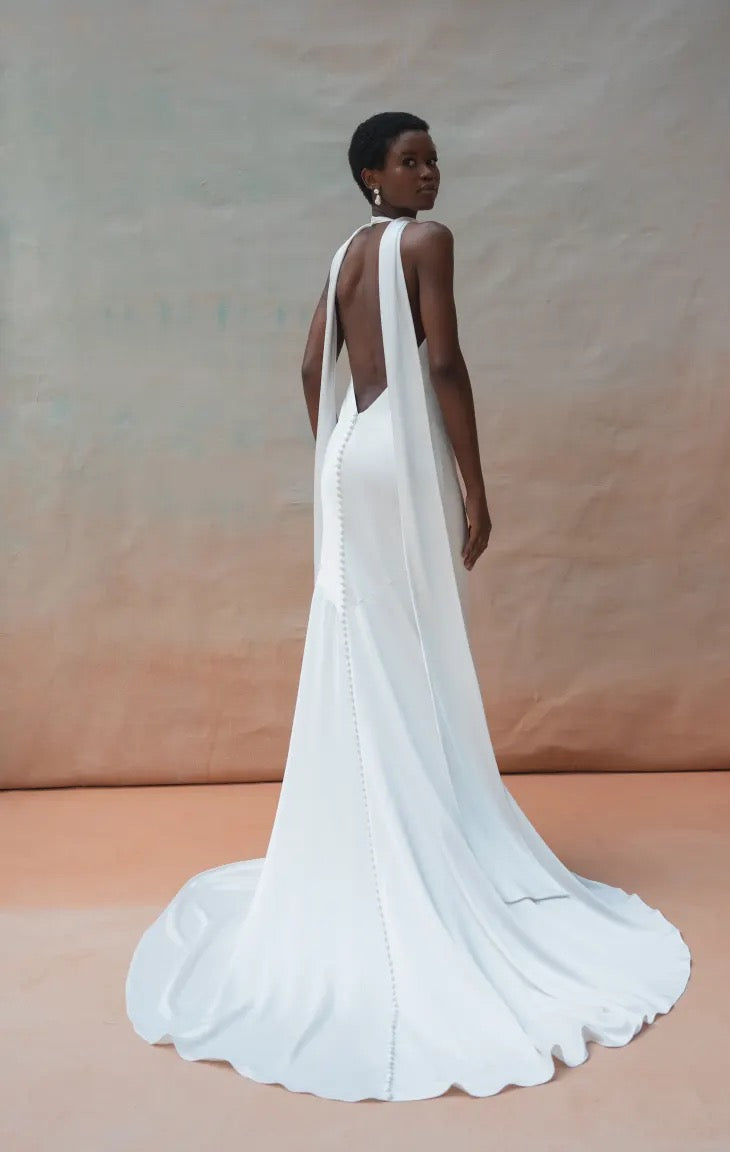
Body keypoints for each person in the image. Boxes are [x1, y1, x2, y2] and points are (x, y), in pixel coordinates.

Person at [125, 111, 691, 1103]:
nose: (429, 174)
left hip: (350, 449)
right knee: (402, 644)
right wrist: (474, 485)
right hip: (400, 449)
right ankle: (411, 842)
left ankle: (373, 829)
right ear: (369, 175)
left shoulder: (347, 249)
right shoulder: (426, 243)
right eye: (408, 160)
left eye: (433, 158)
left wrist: (340, 450)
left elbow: (312, 368)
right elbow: (442, 363)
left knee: (362, 644)